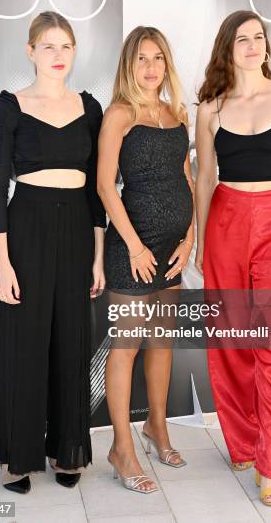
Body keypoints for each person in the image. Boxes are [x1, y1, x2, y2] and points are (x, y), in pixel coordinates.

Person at [195, 10, 271, 506]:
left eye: (259, 37)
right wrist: (202, 240)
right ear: (228, 48)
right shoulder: (209, 107)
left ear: (268, 45)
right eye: (242, 39)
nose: (252, 46)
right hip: (224, 218)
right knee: (229, 337)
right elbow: (204, 177)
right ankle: (243, 442)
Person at [0, 11, 106, 494]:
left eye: (67, 47)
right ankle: (17, 456)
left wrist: (98, 256)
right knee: (25, 342)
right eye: (49, 46)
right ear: (30, 51)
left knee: (71, 341)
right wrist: (2, 263)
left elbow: (98, 189)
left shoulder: (91, 108)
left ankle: (66, 447)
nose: (59, 56)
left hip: (78, 229)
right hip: (27, 226)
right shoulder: (9, 107)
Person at [97, 26, 195, 493]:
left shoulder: (177, 114)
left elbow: (188, 181)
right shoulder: (119, 114)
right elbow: (103, 187)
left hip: (172, 249)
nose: (151, 67)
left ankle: (157, 427)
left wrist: (190, 238)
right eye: (141, 59)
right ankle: (122, 448)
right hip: (131, 249)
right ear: (128, 65)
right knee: (126, 348)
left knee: (161, 343)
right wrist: (135, 245)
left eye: (158, 58)